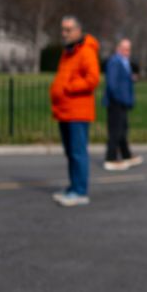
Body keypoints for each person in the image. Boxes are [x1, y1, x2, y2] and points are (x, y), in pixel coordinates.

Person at [49, 16, 99, 207]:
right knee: (70, 152)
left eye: (68, 30)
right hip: (65, 110)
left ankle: (80, 191)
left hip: (78, 111)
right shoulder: (68, 52)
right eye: (63, 30)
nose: (64, 34)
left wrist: (69, 87)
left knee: (78, 153)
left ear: (78, 30)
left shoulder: (86, 52)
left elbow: (92, 79)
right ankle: (73, 187)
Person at [103, 37, 141, 171]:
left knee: (122, 130)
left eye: (128, 49)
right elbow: (112, 84)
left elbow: (123, 80)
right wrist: (119, 98)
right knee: (115, 131)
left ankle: (126, 155)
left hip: (123, 102)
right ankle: (110, 158)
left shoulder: (125, 62)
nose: (127, 52)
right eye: (124, 49)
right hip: (116, 102)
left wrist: (132, 79)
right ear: (118, 48)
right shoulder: (115, 61)